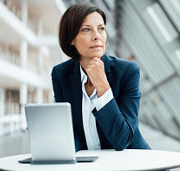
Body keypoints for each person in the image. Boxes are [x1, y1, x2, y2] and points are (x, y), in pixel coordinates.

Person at [51, 2, 151, 152]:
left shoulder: (127, 72)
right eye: (86, 29)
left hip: (133, 160)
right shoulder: (61, 75)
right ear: (71, 39)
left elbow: (122, 140)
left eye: (101, 29)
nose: (97, 36)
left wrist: (103, 86)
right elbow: (70, 131)